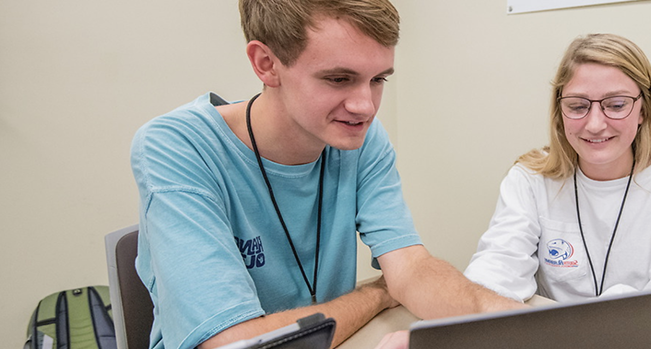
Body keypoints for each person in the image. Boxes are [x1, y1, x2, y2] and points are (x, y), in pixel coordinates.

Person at [130, 1, 524, 348]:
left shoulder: (359, 138)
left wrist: (524, 327)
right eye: (339, 79)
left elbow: (411, 268)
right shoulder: (176, 146)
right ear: (266, 64)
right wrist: (375, 296)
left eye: (378, 79)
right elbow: (234, 344)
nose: (365, 106)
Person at [463, 33, 651, 303]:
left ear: (644, 109)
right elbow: (496, 269)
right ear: (559, 113)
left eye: (616, 105)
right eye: (577, 106)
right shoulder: (530, 179)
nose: (595, 124)